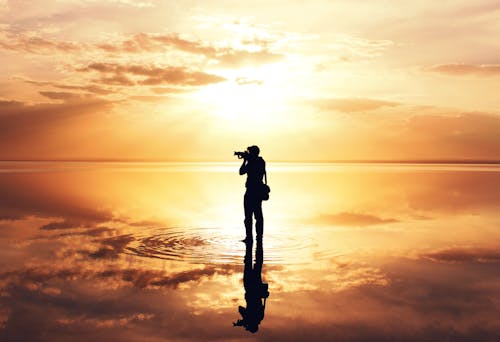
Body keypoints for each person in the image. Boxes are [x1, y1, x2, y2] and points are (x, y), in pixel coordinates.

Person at [239, 145, 266, 242]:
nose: (248, 154)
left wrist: (245, 161)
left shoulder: (253, 162)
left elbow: (241, 172)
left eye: (250, 152)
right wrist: (246, 160)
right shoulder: (261, 161)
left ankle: (250, 238)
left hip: (251, 192)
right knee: (257, 216)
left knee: (250, 217)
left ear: (253, 153)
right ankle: (258, 238)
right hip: (257, 192)